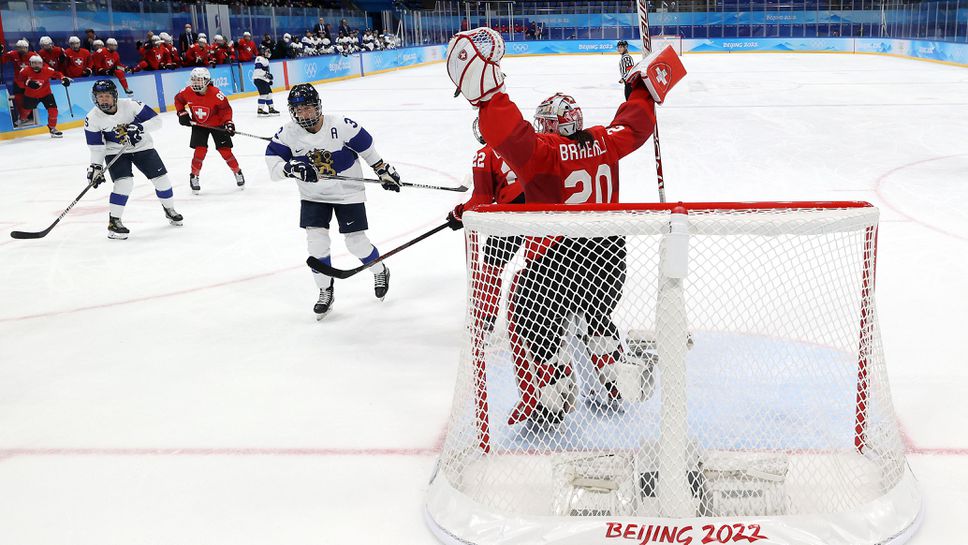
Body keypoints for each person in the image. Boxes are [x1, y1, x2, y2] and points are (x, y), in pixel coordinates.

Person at [446, 28, 686, 425]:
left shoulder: (546, 153)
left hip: (557, 255)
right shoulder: (605, 141)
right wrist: (641, 90)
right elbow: (637, 125)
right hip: (610, 252)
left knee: (530, 318)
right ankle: (615, 375)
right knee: (597, 314)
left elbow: (509, 135)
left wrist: (488, 97)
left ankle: (555, 392)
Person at [264, 84, 402, 320]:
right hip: (312, 195)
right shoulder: (287, 134)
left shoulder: (340, 125)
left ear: (318, 106)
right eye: (298, 110)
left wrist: (381, 169)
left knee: (356, 243)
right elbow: (273, 167)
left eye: (307, 108)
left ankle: (380, 269)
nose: (303, 114)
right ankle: (325, 290)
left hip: (347, 192)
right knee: (316, 245)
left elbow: (367, 147)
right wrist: (289, 168)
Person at [446, 118, 525, 333]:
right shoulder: (525, 143)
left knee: (491, 264)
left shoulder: (484, 154)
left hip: (511, 216)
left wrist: (459, 213)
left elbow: (481, 198)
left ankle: (486, 319)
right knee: (546, 262)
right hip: (542, 210)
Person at [84, 79, 183, 239]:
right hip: (115, 151)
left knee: (162, 180)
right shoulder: (92, 118)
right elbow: (97, 147)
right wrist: (95, 167)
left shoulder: (130, 105)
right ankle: (114, 222)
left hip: (142, 146)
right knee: (124, 184)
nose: (103, 100)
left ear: (115, 96)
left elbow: (157, 121)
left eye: (107, 96)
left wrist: (139, 127)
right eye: (100, 96)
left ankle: (169, 209)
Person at [174, 67, 245, 194]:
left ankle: (237, 171)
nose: (196, 83)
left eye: (199, 80)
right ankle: (194, 176)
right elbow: (178, 100)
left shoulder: (216, 93)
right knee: (199, 151)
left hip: (217, 125)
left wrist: (228, 123)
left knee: (225, 152)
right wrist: (182, 112)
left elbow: (226, 109)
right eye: (194, 80)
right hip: (199, 125)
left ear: (207, 81)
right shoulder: (186, 91)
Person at [18, 55, 71, 137]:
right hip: (31, 95)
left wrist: (63, 78)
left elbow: (57, 74)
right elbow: (20, 83)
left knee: (53, 111)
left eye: (39, 63)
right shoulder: (24, 71)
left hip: (46, 94)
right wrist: (27, 83)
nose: (36, 65)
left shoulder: (47, 70)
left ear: (42, 64)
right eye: (34, 63)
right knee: (26, 111)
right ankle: (22, 118)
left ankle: (52, 128)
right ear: (30, 64)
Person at [2, 39, 35, 126]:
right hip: (18, 82)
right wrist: (1, 53)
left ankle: (28, 116)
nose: (22, 50)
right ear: (16, 48)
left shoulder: (33, 56)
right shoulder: (13, 54)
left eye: (24, 48)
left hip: (30, 82)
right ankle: (23, 118)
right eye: (20, 48)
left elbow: (41, 66)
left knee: (30, 101)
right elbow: (3, 60)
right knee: (18, 100)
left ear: (27, 48)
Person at [253, 47, 279, 117]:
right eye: (266, 51)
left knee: (269, 94)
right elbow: (258, 71)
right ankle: (260, 110)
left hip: (263, 79)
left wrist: (268, 80)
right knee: (264, 94)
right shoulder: (259, 59)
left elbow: (265, 72)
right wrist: (267, 75)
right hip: (259, 79)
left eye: (268, 51)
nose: (268, 53)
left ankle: (271, 108)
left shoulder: (266, 60)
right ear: (262, 52)